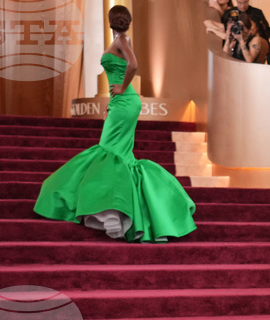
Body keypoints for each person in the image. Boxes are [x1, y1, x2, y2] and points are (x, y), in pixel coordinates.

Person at [34, 5, 196, 242]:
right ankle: (124, 211)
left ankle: (115, 211)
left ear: (111, 21)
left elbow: (133, 65)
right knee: (117, 155)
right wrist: (115, 98)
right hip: (121, 103)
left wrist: (121, 89)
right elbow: (124, 67)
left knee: (109, 152)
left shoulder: (121, 40)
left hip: (125, 100)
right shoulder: (121, 39)